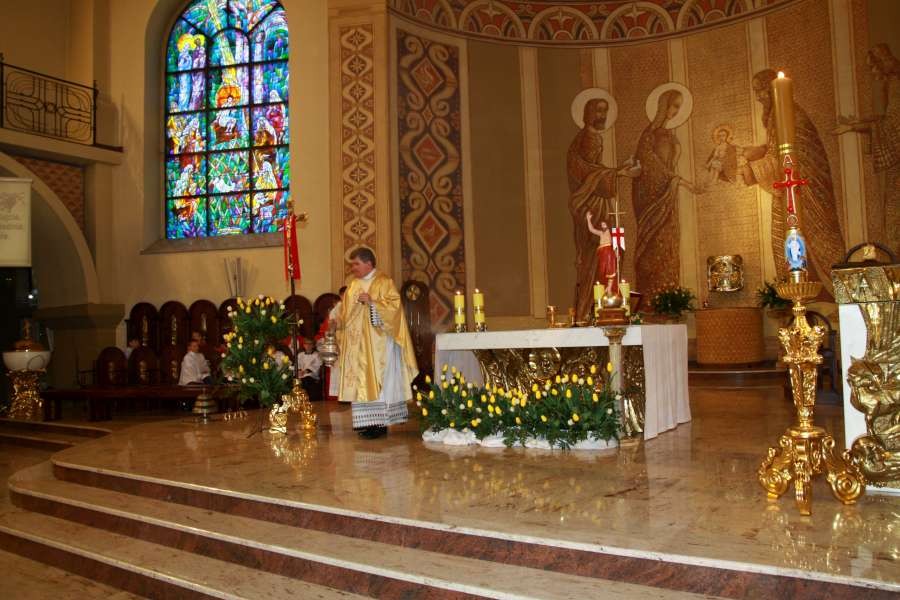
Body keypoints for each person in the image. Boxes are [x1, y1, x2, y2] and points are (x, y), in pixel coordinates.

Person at [740, 69, 845, 297]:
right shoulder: (775, 118)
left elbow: (791, 157)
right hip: (786, 191)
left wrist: (751, 169)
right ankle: (802, 299)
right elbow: (776, 151)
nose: (758, 97)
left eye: (761, 91)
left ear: (772, 90)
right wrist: (759, 152)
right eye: (756, 92)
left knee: (819, 238)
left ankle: (842, 296)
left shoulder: (790, 117)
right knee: (783, 240)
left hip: (803, 190)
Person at [332, 248, 418, 439]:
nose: (353, 268)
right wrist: (338, 322)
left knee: (379, 383)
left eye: (356, 264)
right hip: (357, 346)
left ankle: (379, 424)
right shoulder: (353, 286)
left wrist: (373, 303)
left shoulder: (384, 282)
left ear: (368, 263)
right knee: (360, 383)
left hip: (379, 346)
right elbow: (346, 314)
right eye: (352, 264)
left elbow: (395, 310)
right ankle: (366, 423)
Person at [567, 97, 640, 319]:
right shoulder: (587, 138)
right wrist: (619, 173)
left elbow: (595, 170)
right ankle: (588, 310)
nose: (602, 115)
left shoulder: (589, 137)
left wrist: (619, 170)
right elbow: (587, 172)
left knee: (609, 258)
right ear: (588, 113)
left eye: (604, 111)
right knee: (593, 260)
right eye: (598, 111)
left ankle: (599, 306)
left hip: (597, 202)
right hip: (590, 203)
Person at [633, 89, 695, 296]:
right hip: (652, 200)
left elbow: (668, 165)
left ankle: (668, 294)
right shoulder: (648, 135)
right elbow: (651, 166)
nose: (676, 110)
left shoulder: (669, 135)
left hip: (668, 198)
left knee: (668, 243)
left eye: (679, 106)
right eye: (674, 105)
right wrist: (679, 180)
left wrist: (674, 178)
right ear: (664, 105)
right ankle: (650, 296)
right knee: (654, 245)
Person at [585, 212, 618, 296]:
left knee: (610, 269)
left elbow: (615, 242)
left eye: (604, 224)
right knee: (603, 270)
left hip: (609, 252)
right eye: (602, 225)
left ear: (607, 225)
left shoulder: (610, 232)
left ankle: (609, 288)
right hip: (602, 252)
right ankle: (606, 286)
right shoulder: (601, 233)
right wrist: (588, 219)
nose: (603, 226)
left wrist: (617, 253)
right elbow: (592, 230)